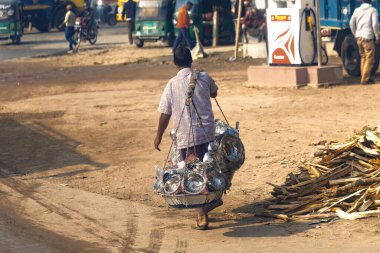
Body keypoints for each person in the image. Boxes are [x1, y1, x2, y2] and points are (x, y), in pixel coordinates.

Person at [154, 46, 222, 230]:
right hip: (208, 134)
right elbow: (214, 93)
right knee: (211, 169)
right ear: (191, 60)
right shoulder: (204, 77)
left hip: (186, 138)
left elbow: (165, 114)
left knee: (194, 175)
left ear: (175, 63)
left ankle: (201, 215)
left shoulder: (172, 84)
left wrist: (158, 136)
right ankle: (212, 202)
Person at [350, 0, 379, 85]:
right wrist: (377, 36)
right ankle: (364, 80)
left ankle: (364, 77)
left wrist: (355, 34)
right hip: (368, 38)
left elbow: (351, 23)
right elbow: (374, 25)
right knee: (370, 59)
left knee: (363, 58)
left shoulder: (356, 10)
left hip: (359, 37)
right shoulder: (373, 10)